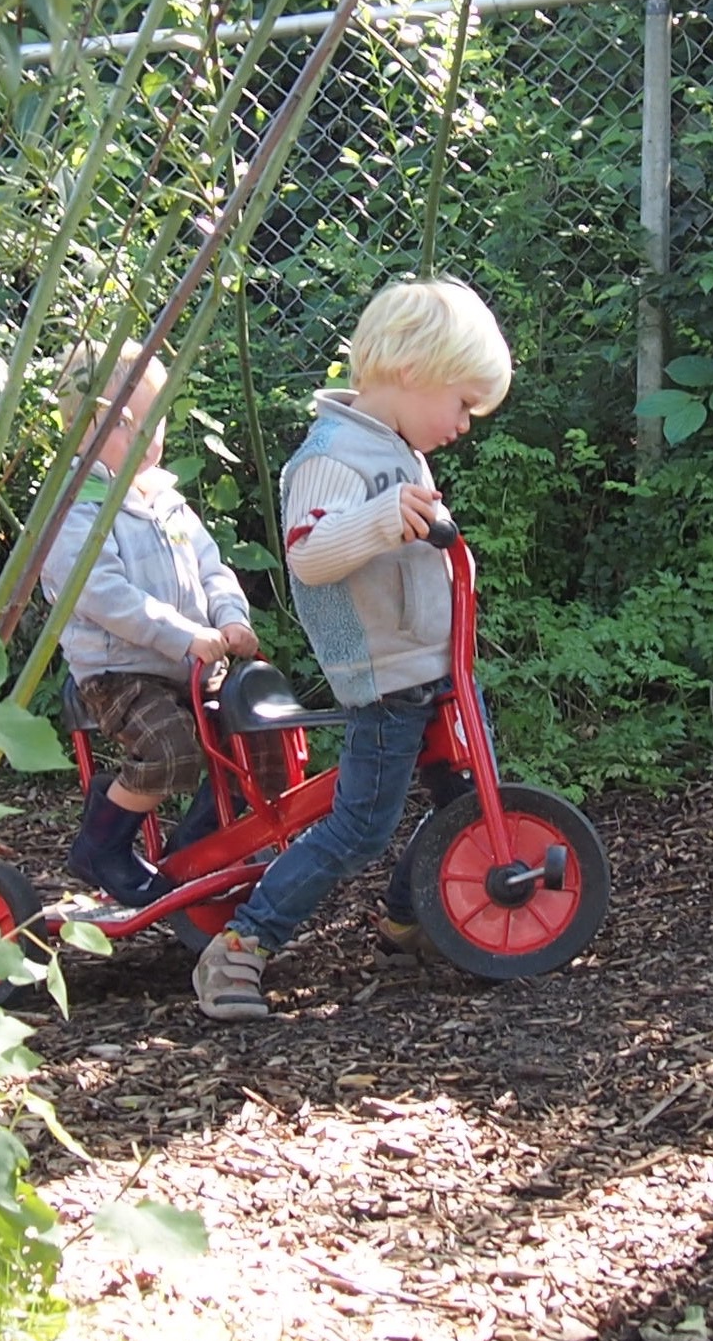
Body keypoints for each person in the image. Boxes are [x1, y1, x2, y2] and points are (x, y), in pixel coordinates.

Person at [190, 277, 513, 1022]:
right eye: (462, 403)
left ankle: (415, 922)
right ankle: (240, 948)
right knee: (360, 827)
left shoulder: (394, 451)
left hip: (436, 669)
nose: (465, 423)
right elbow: (309, 553)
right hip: (386, 677)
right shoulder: (333, 457)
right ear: (410, 370)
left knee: (467, 800)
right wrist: (379, 519)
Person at [39, 340, 263, 907]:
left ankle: (197, 849)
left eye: (157, 419)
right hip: (120, 672)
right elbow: (103, 594)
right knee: (170, 750)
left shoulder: (166, 501)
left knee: (252, 739)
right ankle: (100, 847)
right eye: (132, 424)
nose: (153, 435)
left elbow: (212, 568)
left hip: (189, 665)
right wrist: (184, 635)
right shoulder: (77, 508)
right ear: (84, 429)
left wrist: (230, 617)